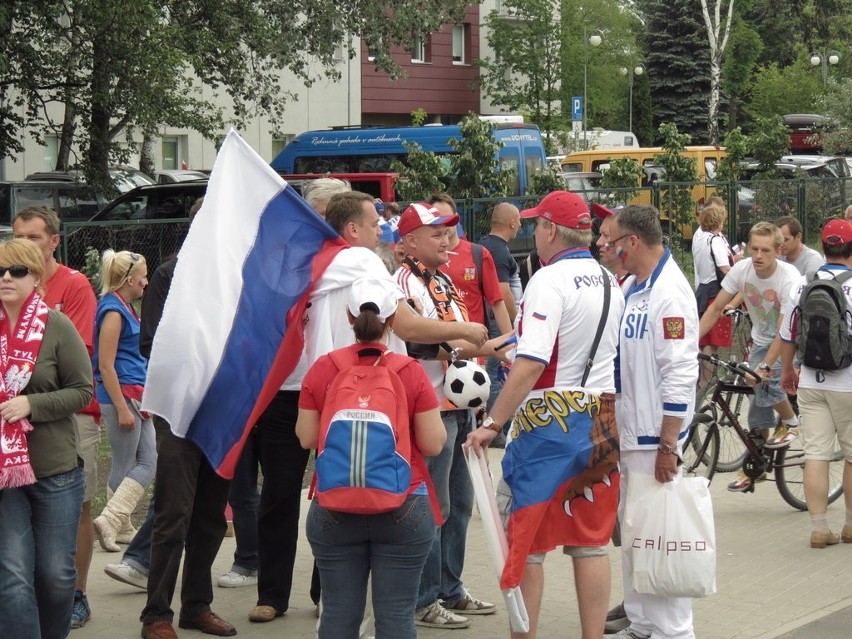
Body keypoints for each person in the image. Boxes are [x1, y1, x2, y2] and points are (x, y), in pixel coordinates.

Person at [246, 193, 489, 625]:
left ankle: (333, 603)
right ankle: (385, 601)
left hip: (329, 399)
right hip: (379, 403)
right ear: (352, 231)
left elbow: (307, 435)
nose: (383, 230)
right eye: (375, 224)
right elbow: (407, 325)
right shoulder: (361, 264)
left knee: (334, 489)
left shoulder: (318, 269)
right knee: (383, 513)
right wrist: (463, 329)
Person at [466, 191, 624, 639]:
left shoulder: (548, 280)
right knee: (590, 541)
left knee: (527, 542)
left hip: (547, 419)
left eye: (537, 225)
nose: (534, 233)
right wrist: (479, 345)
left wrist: (493, 423)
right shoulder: (608, 278)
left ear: (552, 229)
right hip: (601, 414)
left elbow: (532, 360)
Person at [296, 278, 447, 638]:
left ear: (350, 317)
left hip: (334, 505)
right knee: (395, 616)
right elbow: (433, 444)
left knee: (337, 616)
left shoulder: (323, 368)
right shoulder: (409, 371)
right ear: (393, 320)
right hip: (404, 505)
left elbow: (305, 438)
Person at [394, 202, 509, 629]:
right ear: (408, 242)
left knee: (461, 502)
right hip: (431, 409)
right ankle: (423, 600)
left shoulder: (441, 278)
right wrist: (472, 337)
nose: (447, 240)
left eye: (448, 232)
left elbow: (464, 345)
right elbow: (420, 337)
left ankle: (450, 588)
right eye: (436, 233)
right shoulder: (402, 280)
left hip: (461, 408)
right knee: (435, 504)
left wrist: (510, 346)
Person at [139, 197, 239, 639]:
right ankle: (155, 614)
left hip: (222, 411)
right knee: (174, 513)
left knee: (212, 514)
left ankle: (196, 606)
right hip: (179, 410)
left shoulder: (235, 278)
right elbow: (151, 345)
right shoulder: (167, 275)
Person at [608, 205, 700, 639]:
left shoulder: (669, 292)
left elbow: (680, 371)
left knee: (660, 538)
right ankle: (642, 624)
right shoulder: (634, 286)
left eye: (612, 242)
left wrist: (669, 444)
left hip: (652, 440)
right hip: (632, 436)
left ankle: (673, 631)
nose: (607, 249)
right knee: (635, 534)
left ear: (633, 243)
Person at [0, 239, 93, 639]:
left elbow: (83, 391)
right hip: (5, 477)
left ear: (36, 277)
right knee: (14, 577)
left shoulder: (56, 325)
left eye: (17, 270)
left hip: (55, 471)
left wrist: (30, 405)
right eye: (1, 271)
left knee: (56, 576)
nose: (6, 277)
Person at [698, 222, 801, 491]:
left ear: (778, 251)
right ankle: (756, 465)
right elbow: (716, 307)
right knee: (756, 404)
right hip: (761, 341)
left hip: (790, 342)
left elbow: (783, 332)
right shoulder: (742, 270)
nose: (758, 255)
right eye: (753, 248)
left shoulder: (788, 278)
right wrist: (689, 343)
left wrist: (765, 366)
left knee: (760, 382)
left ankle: (791, 422)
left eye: (765, 250)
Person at [779, 219, 852, 548]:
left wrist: (786, 372)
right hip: (849, 384)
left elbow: (787, 333)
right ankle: (850, 525)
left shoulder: (803, 283)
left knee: (816, 455)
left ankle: (820, 528)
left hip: (811, 380)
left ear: (822, 246)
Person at [92, 250, 155, 552]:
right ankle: (111, 519)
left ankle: (120, 524)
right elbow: (105, 364)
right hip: (123, 395)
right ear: (129, 280)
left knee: (145, 459)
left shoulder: (125, 306)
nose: (146, 281)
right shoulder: (114, 311)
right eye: (143, 276)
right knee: (134, 462)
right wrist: (120, 407)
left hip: (135, 393)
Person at [692, 203, 736, 372]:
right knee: (713, 342)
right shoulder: (715, 240)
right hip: (714, 294)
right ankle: (705, 382)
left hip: (702, 291)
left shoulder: (700, 239)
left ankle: (701, 380)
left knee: (704, 340)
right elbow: (724, 268)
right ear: (718, 221)